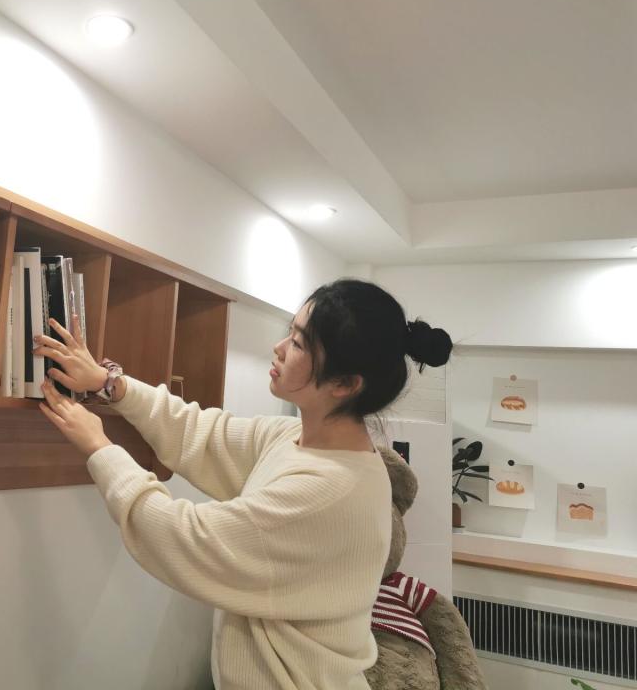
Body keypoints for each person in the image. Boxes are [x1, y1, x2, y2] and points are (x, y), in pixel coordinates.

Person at [32, 278, 453, 689]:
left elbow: (186, 538)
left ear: (345, 384)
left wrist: (99, 448)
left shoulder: (331, 491)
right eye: (290, 331)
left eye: (299, 343)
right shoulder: (298, 438)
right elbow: (200, 432)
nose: (279, 347)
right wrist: (110, 383)